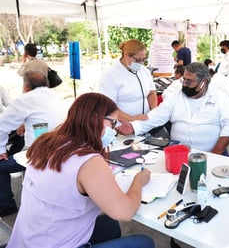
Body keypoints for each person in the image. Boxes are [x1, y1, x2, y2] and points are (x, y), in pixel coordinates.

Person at [7, 92, 155, 248]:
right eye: (113, 123)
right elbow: (125, 212)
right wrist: (138, 182)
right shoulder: (89, 161)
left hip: (25, 240)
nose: (115, 129)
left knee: (109, 225)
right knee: (144, 242)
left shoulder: (46, 142)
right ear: (96, 120)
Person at [117, 62, 229, 156]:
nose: (184, 85)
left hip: (211, 153)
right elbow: (157, 115)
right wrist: (133, 127)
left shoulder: (220, 98)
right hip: (178, 153)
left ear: (203, 82)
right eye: (183, 80)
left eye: (189, 82)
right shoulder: (176, 95)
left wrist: (214, 155)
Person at [0, 71, 68, 217]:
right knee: (20, 143)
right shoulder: (56, 96)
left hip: (40, 153)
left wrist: (1, 150)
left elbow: (1, 126)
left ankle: (6, 207)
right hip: (64, 149)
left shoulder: (25, 99)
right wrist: (24, 124)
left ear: (26, 86)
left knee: (1, 165)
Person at [98, 39, 158, 122]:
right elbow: (108, 107)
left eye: (143, 59)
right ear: (126, 54)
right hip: (121, 126)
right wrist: (131, 119)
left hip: (145, 124)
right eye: (137, 60)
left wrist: (154, 111)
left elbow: (151, 93)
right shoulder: (110, 75)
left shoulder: (145, 71)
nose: (141, 63)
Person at [0, 86, 24, 156]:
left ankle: (11, 158)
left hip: (3, 124)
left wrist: (20, 122)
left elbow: (11, 105)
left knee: (20, 136)